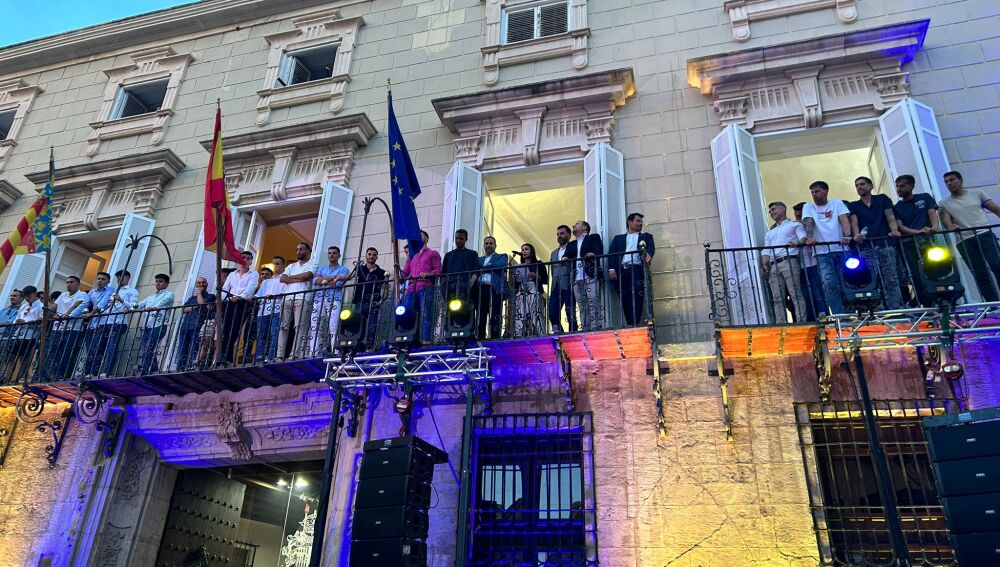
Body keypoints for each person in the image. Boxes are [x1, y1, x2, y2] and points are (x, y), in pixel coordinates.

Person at [939, 170, 1000, 302]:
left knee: (997, 265)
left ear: (961, 180)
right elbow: (946, 221)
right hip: (965, 241)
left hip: (984, 234)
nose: (949, 183)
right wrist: (951, 226)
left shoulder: (977, 193)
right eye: (946, 182)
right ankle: (994, 304)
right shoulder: (944, 203)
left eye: (952, 180)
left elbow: (995, 209)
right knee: (980, 274)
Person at [848, 176, 903, 310]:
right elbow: (854, 223)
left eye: (862, 184)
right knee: (871, 278)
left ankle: (894, 307)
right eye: (857, 185)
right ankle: (878, 307)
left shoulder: (882, 199)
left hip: (885, 244)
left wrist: (894, 230)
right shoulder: (854, 205)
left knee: (890, 277)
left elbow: (890, 216)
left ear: (871, 186)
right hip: (866, 247)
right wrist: (856, 235)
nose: (859, 187)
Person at [893, 174, 943, 307]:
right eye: (897, 186)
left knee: (935, 270)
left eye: (902, 186)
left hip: (928, 241)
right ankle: (925, 304)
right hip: (909, 244)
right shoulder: (897, 207)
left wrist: (935, 226)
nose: (899, 189)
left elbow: (932, 213)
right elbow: (900, 226)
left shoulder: (924, 197)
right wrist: (917, 231)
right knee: (915, 274)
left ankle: (940, 300)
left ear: (912, 185)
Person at [802, 181, 851, 316]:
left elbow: (844, 220)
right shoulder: (808, 207)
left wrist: (848, 236)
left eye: (817, 191)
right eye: (812, 192)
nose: (814, 195)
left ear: (826, 191)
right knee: (829, 283)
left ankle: (852, 312)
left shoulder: (836, 203)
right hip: (822, 252)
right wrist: (810, 237)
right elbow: (809, 222)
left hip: (842, 249)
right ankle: (839, 315)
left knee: (848, 282)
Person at [760, 203, 807, 324]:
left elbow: (803, 237)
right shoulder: (770, 232)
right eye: (770, 211)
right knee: (777, 297)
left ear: (783, 209)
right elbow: (767, 249)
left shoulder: (794, 224)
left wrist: (797, 243)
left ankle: (801, 321)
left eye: (773, 209)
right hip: (773, 265)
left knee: (795, 293)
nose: (771, 212)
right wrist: (764, 263)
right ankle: (781, 323)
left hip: (789, 261)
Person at [608, 213, 656, 326]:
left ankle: (633, 323)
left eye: (641, 221)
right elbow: (612, 254)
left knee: (637, 296)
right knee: (624, 297)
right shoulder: (618, 238)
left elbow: (650, 249)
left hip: (637, 269)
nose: (641, 223)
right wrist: (611, 269)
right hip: (622, 271)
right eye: (638, 221)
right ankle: (630, 322)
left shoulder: (646, 236)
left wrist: (649, 254)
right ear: (630, 222)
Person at [400, 231, 442, 342]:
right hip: (411, 289)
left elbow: (438, 270)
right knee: (407, 314)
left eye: (421, 235)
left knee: (426, 314)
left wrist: (427, 274)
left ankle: (426, 340)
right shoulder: (412, 256)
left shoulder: (433, 253)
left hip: (426, 286)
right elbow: (404, 273)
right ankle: (408, 339)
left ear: (427, 239)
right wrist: (397, 276)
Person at [46, 276, 90, 380]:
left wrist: (65, 315)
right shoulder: (63, 295)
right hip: (57, 328)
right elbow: (53, 308)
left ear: (78, 284)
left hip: (73, 329)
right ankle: (56, 374)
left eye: (71, 282)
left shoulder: (82, 294)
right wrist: (51, 314)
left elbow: (76, 306)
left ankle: (63, 375)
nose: (68, 284)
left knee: (67, 353)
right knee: (52, 351)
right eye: (67, 282)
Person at [278, 243, 317, 359]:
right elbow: (282, 279)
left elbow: (307, 276)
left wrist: (291, 278)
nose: (298, 252)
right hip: (287, 298)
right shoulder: (291, 266)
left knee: (299, 327)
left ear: (308, 251)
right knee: (283, 327)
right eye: (297, 249)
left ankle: (295, 354)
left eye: (301, 249)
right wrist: (297, 278)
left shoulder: (313, 264)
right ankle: (279, 355)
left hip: (302, 298)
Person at [311, 246, 351, 356]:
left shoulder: (344, 269)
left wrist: (324, 280)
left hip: (334, 300)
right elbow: (315, 281)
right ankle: (313, 352)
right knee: (315, 326)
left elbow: (337, 284)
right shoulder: (321, 268)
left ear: (339, 255)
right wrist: (333, 277)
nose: (331, 255)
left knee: (333, 326)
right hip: (319, 299)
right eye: (329, 253)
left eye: (334, 253)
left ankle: (335, 351)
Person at [219, 250, 257, 364]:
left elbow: (251, 288)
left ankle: (226, 356)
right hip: (229, 303)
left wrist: (240, 297)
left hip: (241, 303)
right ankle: (227, 356)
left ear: (250, 261)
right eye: (243, 257)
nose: (245, 260)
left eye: (248, 258)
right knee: (226, 330)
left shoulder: (253, 274)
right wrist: (224, 298)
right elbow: (225, 288)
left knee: (235, 329)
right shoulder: (232, 274)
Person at [564, 220, 604, 331]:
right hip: (576, 278)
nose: (573, 225)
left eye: (576, 224)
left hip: (590, 275)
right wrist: (564, 259)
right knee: (582, 306)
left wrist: (593, 254)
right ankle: (585, 328)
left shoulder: (593, 237)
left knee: (593, 301)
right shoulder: (571, 244)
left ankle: (596, 326)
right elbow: (566, 257)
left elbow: (599, 251)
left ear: (585, 227)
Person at [100, 270, 139, 377]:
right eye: (117, 277)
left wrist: (121, 300)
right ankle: (95, 371)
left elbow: (133, 306)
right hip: (106, 321)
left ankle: (107, 371)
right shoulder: (113, 291)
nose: (119, 279)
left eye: (121, 277)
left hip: (118, 322)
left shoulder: (132, 291)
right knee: (101, 347)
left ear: (128, 278)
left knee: (112, 346)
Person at [135, 273, 175, 375]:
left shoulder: (169, 294)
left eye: (160, 281)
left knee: (148, 348)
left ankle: (144, 370)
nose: (158, 283)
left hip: (159, 325)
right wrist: (124, 304)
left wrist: (154, 307)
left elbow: (165, 302)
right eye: (156, 281)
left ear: (166, 283)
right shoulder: (150, 297)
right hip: (146, 326)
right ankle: (154, 370)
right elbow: (138, 305)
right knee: (145, 349)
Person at [79, 272, 116, 377]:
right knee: (90, 349)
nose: (100, 281)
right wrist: (71, 315)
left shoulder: (110, 290)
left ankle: (93, 372)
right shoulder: (92, 292)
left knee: (97, 348)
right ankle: (87, 372)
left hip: (102, 322)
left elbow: (102, 304)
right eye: (98, 279)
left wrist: (91, 313)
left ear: (108, 281)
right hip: (91, 324)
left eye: (103, 279)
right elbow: (85, 304)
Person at [792, 203, 826, 320]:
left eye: (801, 216)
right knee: (805, 295)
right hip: (801, 266)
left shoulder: (813, 225)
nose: (799, 219)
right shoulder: (794, 226)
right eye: (797, 217)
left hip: (815, 263)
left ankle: (824, 317)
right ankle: (811, 320)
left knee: (818, 293)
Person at [175, 276, 216, 371]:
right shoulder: (191, 298)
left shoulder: (210, 296)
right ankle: (180, 368)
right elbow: (184, 309)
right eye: (199, 283)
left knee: (194, 348)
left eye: (203, 282)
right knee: (182, 349)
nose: (201, 284)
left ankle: (193, 366)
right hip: (186, 326)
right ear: (196, 285)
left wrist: (198, 294)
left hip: (198, 325)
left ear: (207, 284)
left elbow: (201, 304)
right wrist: (195, 307)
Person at [353, 247, 389, 350]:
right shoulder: (359, 269)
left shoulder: (381, 272)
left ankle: (369, 347)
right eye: (369, 254)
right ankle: (358, 348)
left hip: (374, 302)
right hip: (360, 300)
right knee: (359, 325)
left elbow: (386, 289)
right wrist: (337, 277)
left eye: (374, 255)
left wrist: (381, 302)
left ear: (377, 257)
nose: (371, 256)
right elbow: (350, 277)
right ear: (365, 255)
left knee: (372, 326)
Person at [511, 243, 548, 337]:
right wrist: (515, 278)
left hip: (534, 291)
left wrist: (536, 276)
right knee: (520, 315)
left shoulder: (539, 264)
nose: (524, 251)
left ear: (532, 251)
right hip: (521, 292)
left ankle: (541, 334)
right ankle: (518, 335)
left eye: (526, 249)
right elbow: (514, 284)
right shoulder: (519, 266)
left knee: (537, 314)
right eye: (522, 249)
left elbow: (545, 279)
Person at [253, 257, 286, 363]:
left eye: (278, 264)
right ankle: (259, 357)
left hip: (277, 310)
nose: (275, 265)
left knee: (274, 335)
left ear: (283, 266)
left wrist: (273, 296)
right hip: (263, 311)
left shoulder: (284, 280)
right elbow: (258, 295)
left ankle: (271, 357)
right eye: (274, 263)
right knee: (261, 335)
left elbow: (284, 294)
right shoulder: (266, 282)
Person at [475, 236, 508, 339]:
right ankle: (480, 336)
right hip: (480, 288)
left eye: (491, 243)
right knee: (481, 313)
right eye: (487, 243)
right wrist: (489, 266)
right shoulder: (479, 259)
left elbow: (500, 265)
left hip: (494, 288)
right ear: (484, 245)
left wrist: (483, 267)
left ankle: (495, 336)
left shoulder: (502, 256)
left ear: (495, 246)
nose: (488, 245)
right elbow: (475, 268)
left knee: (495, 313)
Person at [10, 286, 42, 383]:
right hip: (18, 334)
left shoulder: (40, 306)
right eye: (25, 296)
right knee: (12, 356)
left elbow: (40, 321)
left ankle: (20, 377)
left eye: (29, 296)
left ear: (34, 294)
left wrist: (26, 322)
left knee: (24, 358)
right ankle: (8, 377)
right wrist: (18, 321)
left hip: (30, 336)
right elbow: (16, 318)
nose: (27, 298)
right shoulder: (24, 306)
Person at [548, 225, 577, 333]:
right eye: (558, 234)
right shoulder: (554, 253)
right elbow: (552, 271)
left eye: (562, 233)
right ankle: (559, 332)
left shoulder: (573, 247)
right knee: (552, 312)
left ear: (569, 235)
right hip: (556, 286)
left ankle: (572, 333)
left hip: (569, 283)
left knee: (570, 312)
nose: (559, 236)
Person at [441, 229, 479, 302]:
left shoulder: (472, 254)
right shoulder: (448, 255)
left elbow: (476, 271)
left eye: (461, 238)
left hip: (465, 287)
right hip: (449, 288)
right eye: (457, 238)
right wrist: (443, 286)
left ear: (466, 240)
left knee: (466, 311)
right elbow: (443, 273)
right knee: (450, 312)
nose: (458, 240)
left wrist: (471, 283)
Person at [0, 289, 23, 381]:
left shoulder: (22, 310)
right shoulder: (4, 309)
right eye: (11, 296)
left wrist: (4, 323)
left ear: (21, 298)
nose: (12, 297)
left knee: (8, 357)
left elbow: (11, 322)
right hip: (1, 335)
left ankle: (5, 378)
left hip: (10, 336)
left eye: (15, 296)